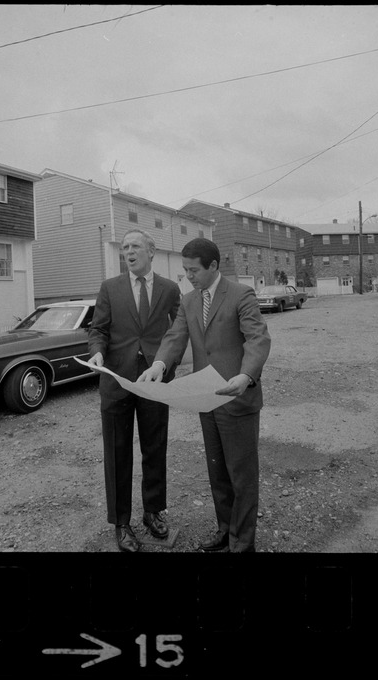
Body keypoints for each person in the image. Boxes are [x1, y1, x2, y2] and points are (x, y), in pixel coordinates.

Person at [139, 238, 271, 553]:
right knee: (218, 472)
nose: (188, 276)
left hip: (237, 399)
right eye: (184, 270)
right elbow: (175, 336)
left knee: (242, 477)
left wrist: (245, 375)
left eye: (193, 270)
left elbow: (258, 339)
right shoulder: (189, 301)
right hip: (206, 400)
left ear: (213, 266)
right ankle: (225, 531)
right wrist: (159, 364)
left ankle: (242, 543)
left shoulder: (241, 294)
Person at [88, 229, 182, 552]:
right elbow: (98, 329)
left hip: (155, 382)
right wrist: (97, 351)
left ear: (151, 251)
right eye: (125, 247)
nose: (129, 252)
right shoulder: (109, 288)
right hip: (116, 380)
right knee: (117, 452)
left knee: (155, 447)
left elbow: (178, 333)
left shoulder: (170, 289)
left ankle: (153, 512)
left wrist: (167, 365)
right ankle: (122, 523)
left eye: (135, 247)